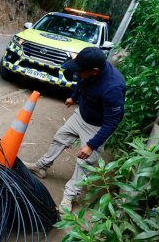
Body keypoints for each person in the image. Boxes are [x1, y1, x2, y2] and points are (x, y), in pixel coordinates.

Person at [25, 47, 126, 213]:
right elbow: (82, 81)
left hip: (97, 126)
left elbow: (112, 122)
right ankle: (41, 167)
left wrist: (91, 145)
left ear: (94, 71)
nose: (77, 73)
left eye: (80, 70)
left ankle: (70, 195)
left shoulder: (113, 87)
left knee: (85, 162)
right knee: (60, 138)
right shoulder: (90, 70)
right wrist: (74, 96)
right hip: (81, 114)